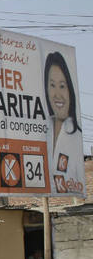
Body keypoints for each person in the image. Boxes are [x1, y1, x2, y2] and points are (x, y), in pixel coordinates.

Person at [43, 51, 83, 193]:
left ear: (70, 89)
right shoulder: (42, 130)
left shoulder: (75, 137)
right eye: (52, 85)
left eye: (62, 86)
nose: (57, 94)